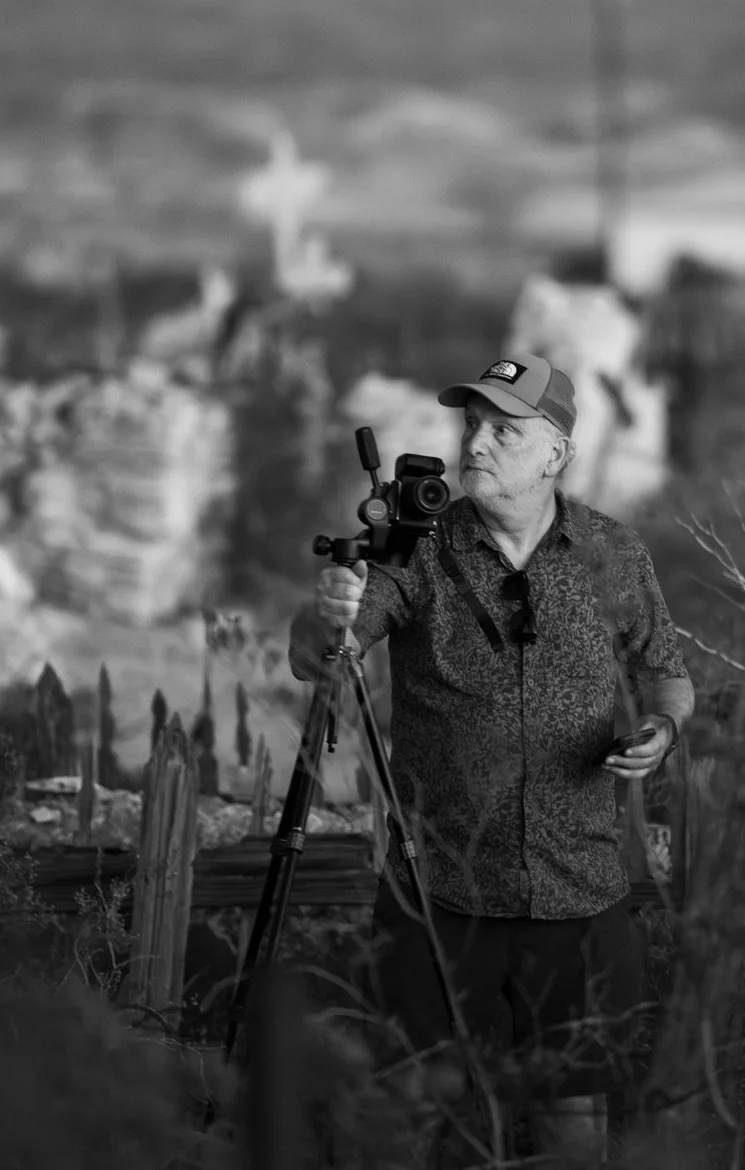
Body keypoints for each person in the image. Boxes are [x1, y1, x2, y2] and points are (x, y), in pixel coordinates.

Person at [291, 352, 695, 1162]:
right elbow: (322, 656)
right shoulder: (412, 550)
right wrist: (322, 617)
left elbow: (668, 675)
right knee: (408, 1117)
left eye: (503, 432)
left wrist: (662, 732)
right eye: (471, 426)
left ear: (556, 454)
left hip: (577, 890)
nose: (475, 445)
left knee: (575, 1122)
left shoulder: (612, 554)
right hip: (439, 891)